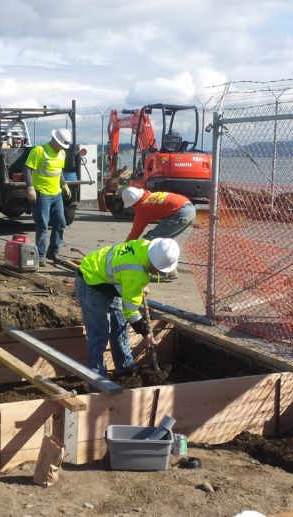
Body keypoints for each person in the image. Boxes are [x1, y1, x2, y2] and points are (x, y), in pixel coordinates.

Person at [74, 238, 180, 384]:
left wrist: (135, 287)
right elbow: (131, 312)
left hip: (110, 279)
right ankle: (99, 383)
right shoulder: (136, 274)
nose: (160, 274)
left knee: (119, 327)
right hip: (90, 280)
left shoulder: (146, 246)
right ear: (153, 263)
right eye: (160, 271)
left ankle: (126, 371)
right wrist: (146, 333)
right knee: (98, 336)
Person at [121, 187, 195, 282]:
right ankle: (171, 271)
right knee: (164, 242)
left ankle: (163, 273)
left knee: (152, 240)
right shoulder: (151, 197)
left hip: (180, 213)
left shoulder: (143, 207)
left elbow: (135, 233)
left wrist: (124, 248)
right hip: (188, 209)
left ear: (133, 203)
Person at [24, 128, 73, 267]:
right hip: (42, 194)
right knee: (43, 226)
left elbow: (59, 172)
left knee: (60, 223)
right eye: (61, 144)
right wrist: (30, 188)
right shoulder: (39, 151)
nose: (63, 148)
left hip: (56, 194)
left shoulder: (62, 153)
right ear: (55, 140)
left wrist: (65, 186)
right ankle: (40, 256)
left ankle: (53, 252)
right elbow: (27, 169)